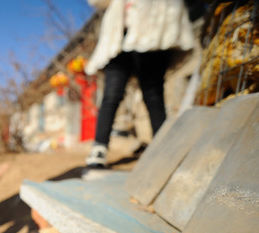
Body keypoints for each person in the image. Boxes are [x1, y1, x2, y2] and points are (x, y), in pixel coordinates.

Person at [84, 0, 195, 167]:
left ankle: (162, 147)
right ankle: (99, 147)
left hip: (153, 31)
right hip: (119, 37)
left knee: (153, 94)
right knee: (111, 94)